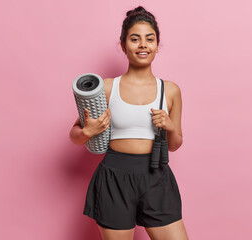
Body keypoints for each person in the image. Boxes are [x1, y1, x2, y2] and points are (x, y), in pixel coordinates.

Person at [69, 6, 189, 240]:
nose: (143, 45)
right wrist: (88, 131)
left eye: (149, 39)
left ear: (156, 45)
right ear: (124, 45)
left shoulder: (171, 91)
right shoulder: (106, 88)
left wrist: (170, 127)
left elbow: (175, 144)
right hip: (115, 178)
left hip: (157, 176)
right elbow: (74, 134)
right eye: (135, 39)